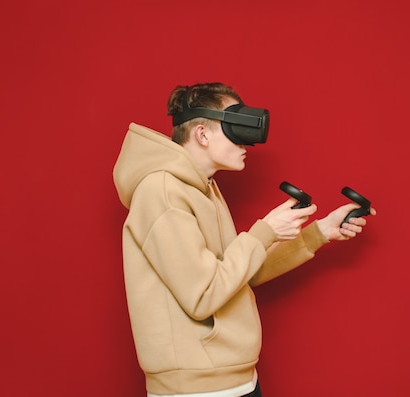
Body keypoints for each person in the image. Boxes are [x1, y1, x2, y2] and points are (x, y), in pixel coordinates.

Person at [113, 82, 376, 397]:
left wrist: (319, 232)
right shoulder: (162, 192)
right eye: (236, 128)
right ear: (202, 134)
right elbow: (204, 294)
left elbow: (238, 275)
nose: (247, 144)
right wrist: (264, 230)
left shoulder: (204, 187)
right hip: (197, 391)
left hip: (236, 379)